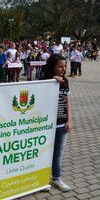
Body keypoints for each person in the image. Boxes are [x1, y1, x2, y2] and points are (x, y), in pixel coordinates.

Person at [40, 54, 72, 192]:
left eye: (64, 66)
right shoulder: (43, 81)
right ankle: (43, 179)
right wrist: (51, 82)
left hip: (61, 123)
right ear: (52, 66)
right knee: (44, 152)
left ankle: (56, 178)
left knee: (58, 152)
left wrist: (69, 119)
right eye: (59, 66)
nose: (63, 69)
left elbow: (68, 100)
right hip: (47, 124)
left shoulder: (65, 81)